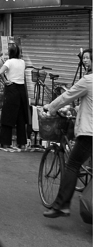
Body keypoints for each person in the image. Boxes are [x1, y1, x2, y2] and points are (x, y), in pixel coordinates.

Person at [42, 71, 92, 218]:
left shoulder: (89, 80)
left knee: (72, 165)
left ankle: (61, 205)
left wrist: (50, 107)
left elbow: (67, 96)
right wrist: (76, 109)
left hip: (89, 133)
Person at [0, 44, 29, 149]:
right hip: (21, 90)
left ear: (10, 52)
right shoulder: (23, 62)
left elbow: (0, 72)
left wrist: (5, 81)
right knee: (21, 117)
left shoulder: (9, 62)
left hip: (12, 89)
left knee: (8, 116)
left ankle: (5, 143)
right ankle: (22, 143)